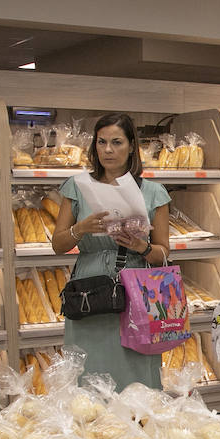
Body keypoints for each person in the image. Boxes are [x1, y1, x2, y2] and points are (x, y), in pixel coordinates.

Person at [50, 113, 170, 386]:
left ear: (131, 147)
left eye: (116, 142)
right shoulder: (77, 187)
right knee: (87, 370)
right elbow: (58, 245)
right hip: (88, 289)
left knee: (137, 370)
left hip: (137, 289)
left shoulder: (154, 192)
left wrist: (142, 246)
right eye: (101, 142)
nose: (107, 150)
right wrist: (80, 229)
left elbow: (163, 254)